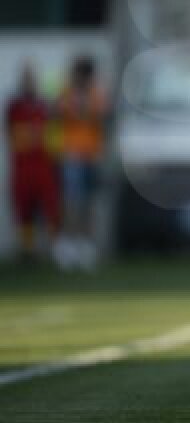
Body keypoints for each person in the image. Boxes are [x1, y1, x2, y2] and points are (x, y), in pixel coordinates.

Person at [56, 55, 108, 270]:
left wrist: (83, 107)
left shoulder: (96, 93)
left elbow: (98, 115)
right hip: (72, 155)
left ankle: (86, 246)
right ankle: (68, 245)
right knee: (72, 201)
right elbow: (63, 113)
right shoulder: (67, 92)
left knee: (88, 203)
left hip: (92, 155)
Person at [5, 63, 60, 264]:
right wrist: (33, 136)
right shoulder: (14, 106)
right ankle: (28, 251)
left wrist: (36, 137)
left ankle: (54, 250)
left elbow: (51, 136)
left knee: (50, 207)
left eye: (32, 78)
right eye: (26, 78)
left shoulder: (45, 106)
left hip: (43, 166)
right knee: (23, 209)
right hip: (22, 168)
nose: (29, 82)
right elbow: (14, 137)